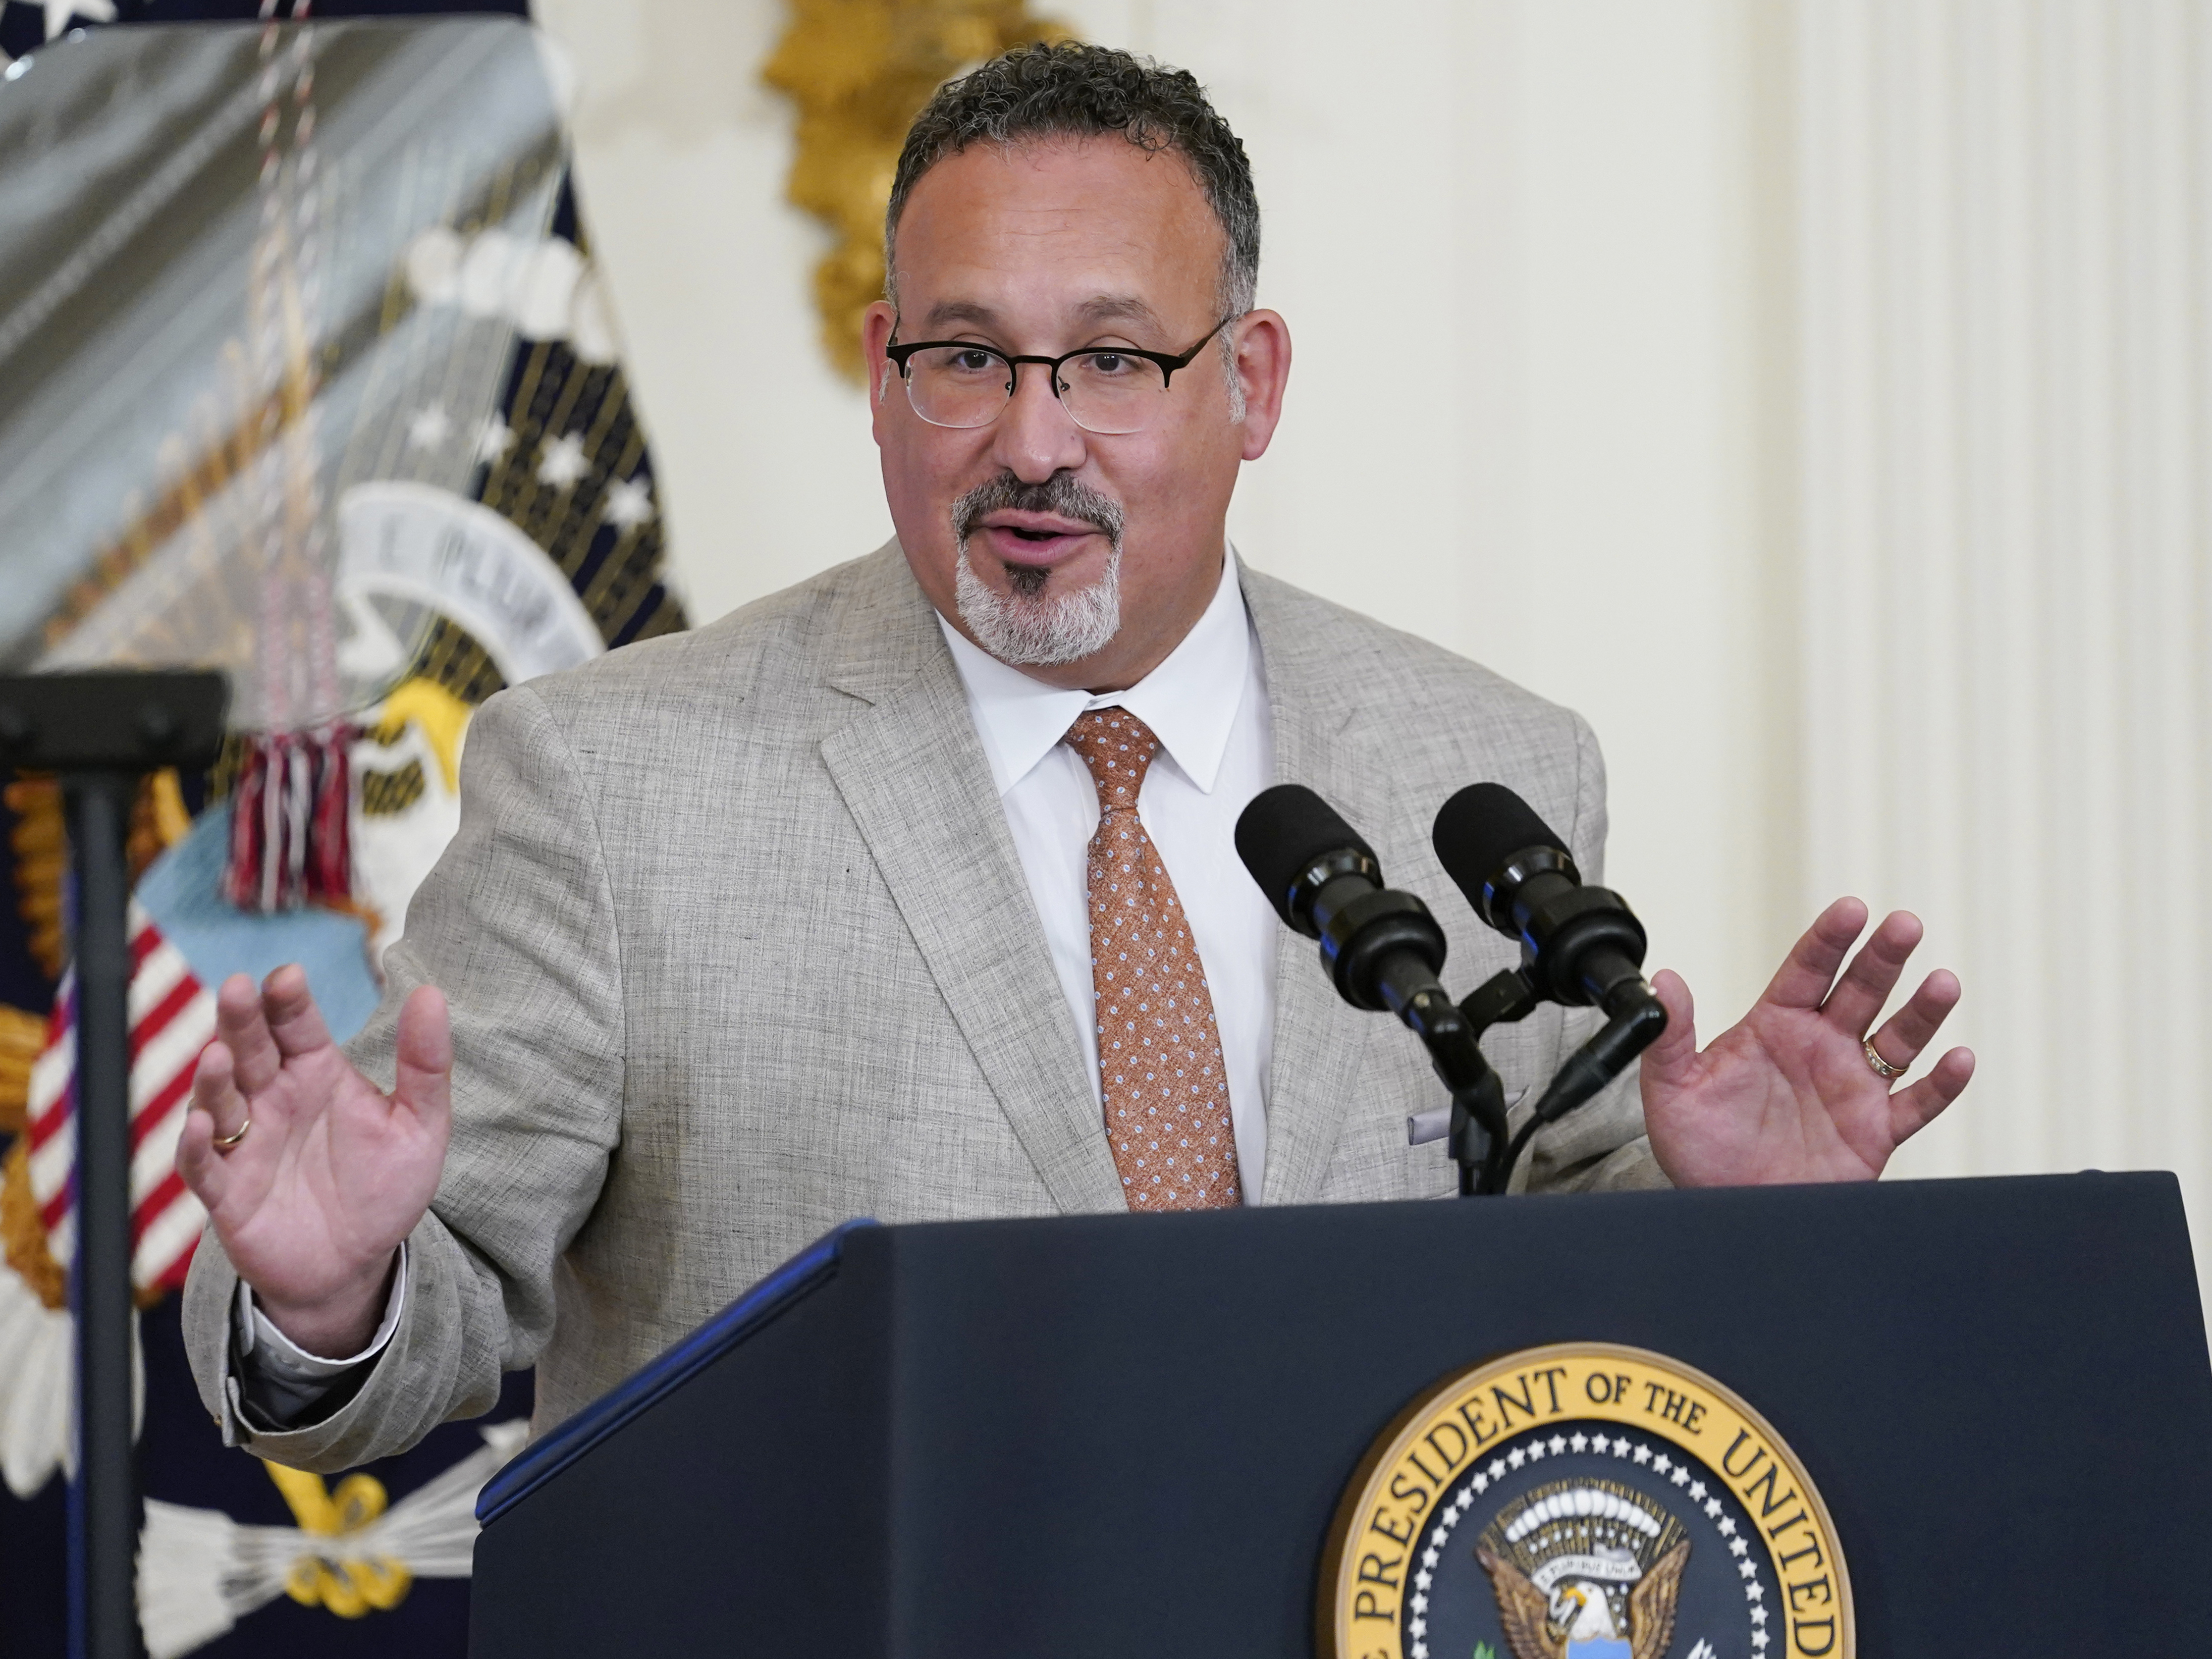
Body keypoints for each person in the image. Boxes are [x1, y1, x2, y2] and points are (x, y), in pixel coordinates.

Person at [176, 43, 1973, 1470]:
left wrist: (1718, 1218)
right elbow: (417, 1302)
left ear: (1251, 383)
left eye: (1113, 360)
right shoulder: (614, 783)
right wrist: (324, 1299)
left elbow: (1542, 1267)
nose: (1033, 443)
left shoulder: (1487, 766)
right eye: (968, 357)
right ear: (886, 368)